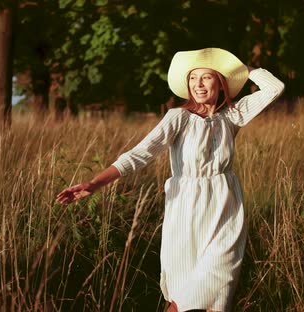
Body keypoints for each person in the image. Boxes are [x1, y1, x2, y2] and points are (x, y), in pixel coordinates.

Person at [57, 47, 284, 312]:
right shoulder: (178, 118)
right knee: (183, 298)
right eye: (192, 78)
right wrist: (94, 184)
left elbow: (274, 88)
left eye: (206, 77)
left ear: (221, 82)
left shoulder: (233, 115)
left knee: (219, 289)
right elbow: (140, 153)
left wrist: (240, 68)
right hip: (185, 211)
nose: (198, 85)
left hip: (226, 208)